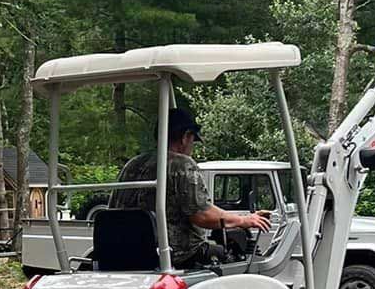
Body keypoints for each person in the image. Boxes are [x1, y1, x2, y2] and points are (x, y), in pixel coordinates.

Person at [109, 106, 270, 266]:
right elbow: (203, 215)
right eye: (193, 140)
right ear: (186, 137)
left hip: (127, 253)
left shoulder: (132, 165)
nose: (192, 146)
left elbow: (114, 210)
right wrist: (245, 220)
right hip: (175, 255)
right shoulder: (181, 164)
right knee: (234, 257)